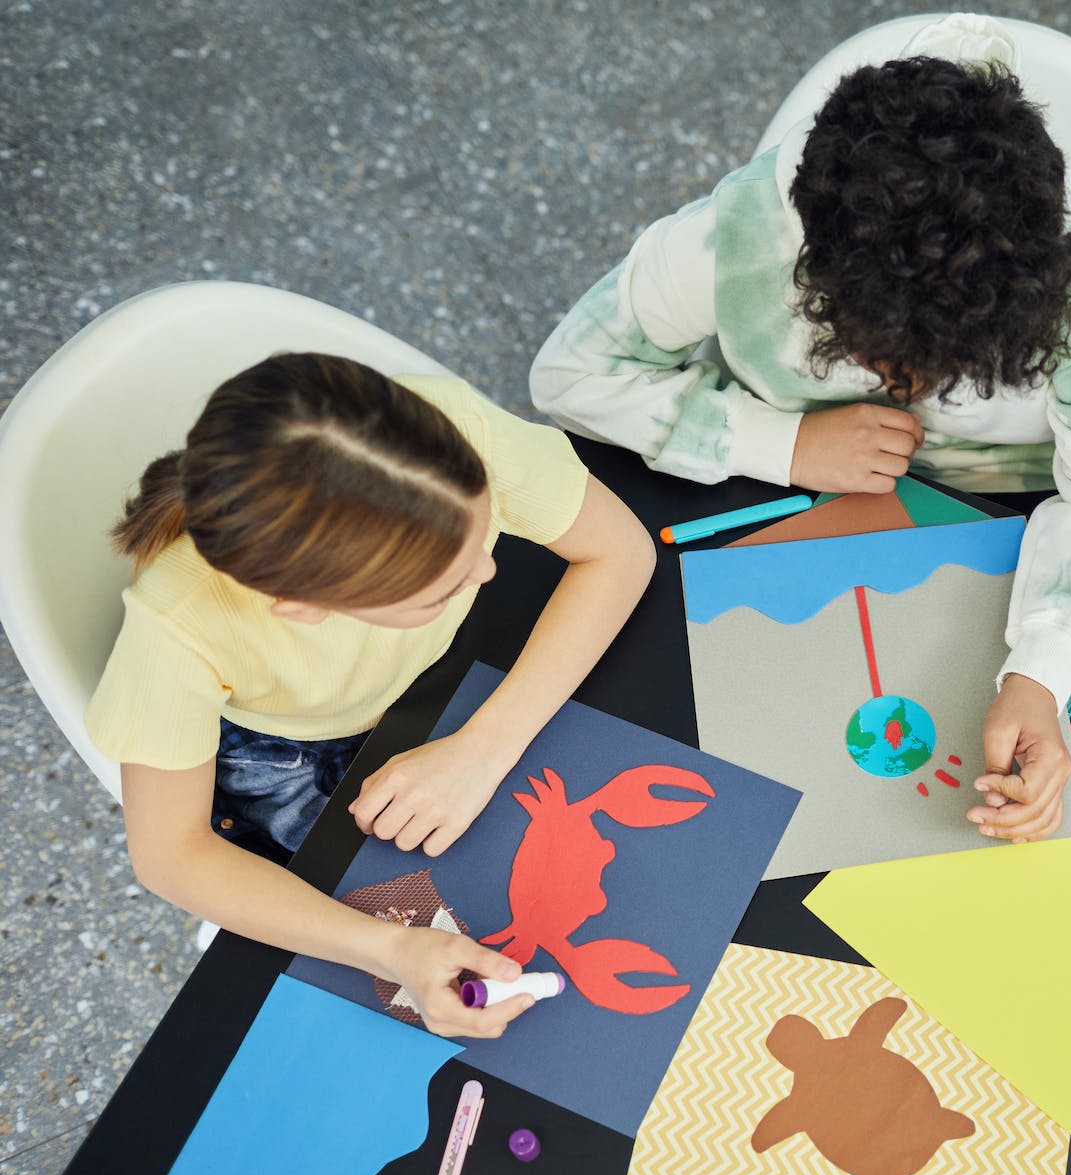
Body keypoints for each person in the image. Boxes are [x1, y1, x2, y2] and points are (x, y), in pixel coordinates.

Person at [529, 15, 1071, 842]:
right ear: (817, 282)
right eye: (893, 360)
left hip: (1014, 522)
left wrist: (1042, 675)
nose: (915, 390)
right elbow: (570, 374)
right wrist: (782, 443)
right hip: (769, 491)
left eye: (955, 372)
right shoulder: (735, 242)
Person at [86, 352, 654, 1037]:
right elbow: (172, 854)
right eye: (440, 587)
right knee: (344, 895)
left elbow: (622, 550)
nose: (487, 568)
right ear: (302, 607)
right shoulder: (176, 629)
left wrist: (485, 746)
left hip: (420, 685)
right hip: (274, 747)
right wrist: (386, 949)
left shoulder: (451, 435)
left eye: (481, 529)